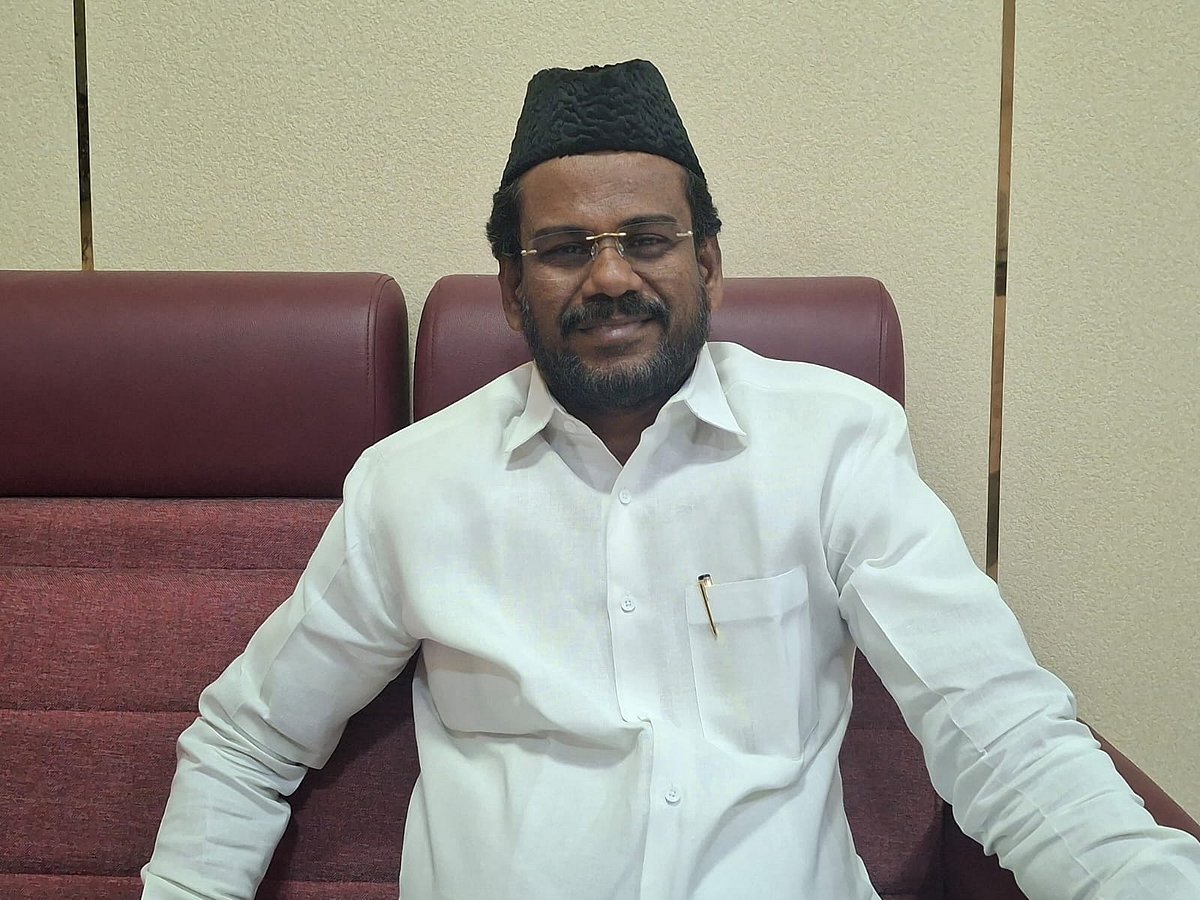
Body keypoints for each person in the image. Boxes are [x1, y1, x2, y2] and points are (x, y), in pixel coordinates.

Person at [142, 59, 1200, 899]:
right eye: (565, 248)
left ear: (710, 265)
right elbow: (248, 741)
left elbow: (1002, 735)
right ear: (510, 289)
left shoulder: (834, 444)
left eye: (648, 239)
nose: (610, 276)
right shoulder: (411, 486)